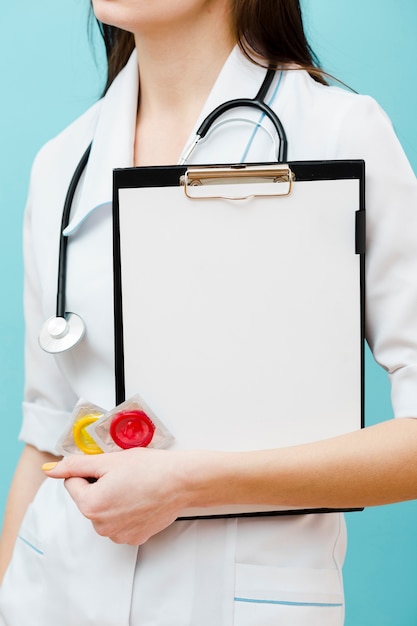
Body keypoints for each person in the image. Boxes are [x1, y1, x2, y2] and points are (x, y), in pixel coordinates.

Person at [1, 1, 417, 624]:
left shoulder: (337, 133)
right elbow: (46, 440)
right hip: (51, 596)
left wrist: (189, 486)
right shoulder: (62, 162)